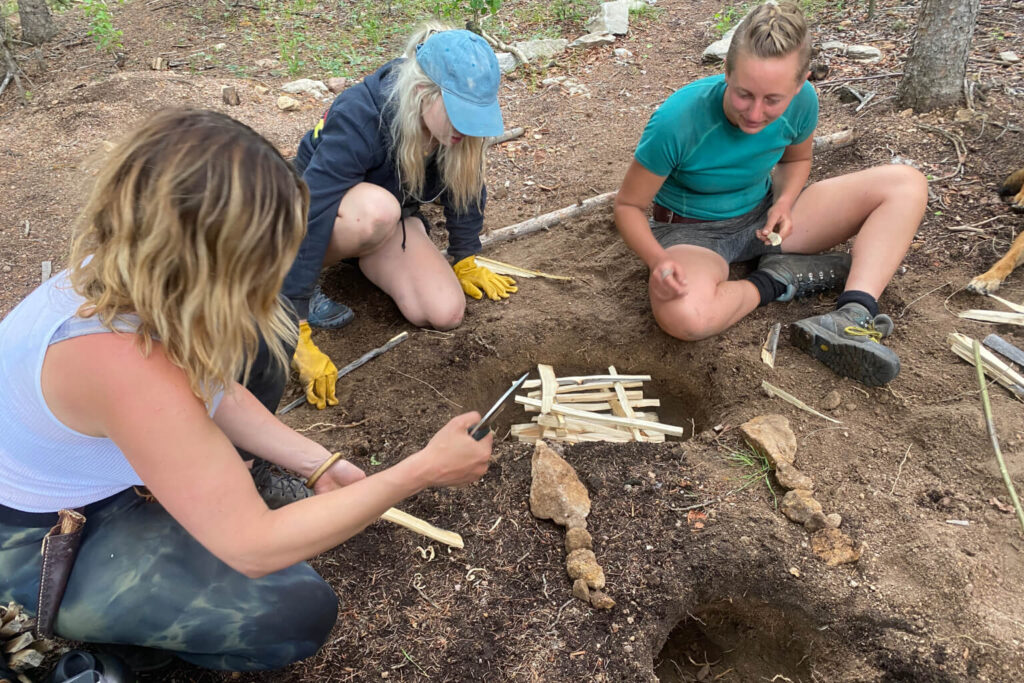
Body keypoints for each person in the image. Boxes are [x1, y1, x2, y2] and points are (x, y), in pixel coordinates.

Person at [0, 109, 493, 672]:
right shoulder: (123, 365)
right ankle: (97, 659)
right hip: (40, 533)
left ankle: (197, 499)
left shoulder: (130, 268)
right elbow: (253, 547)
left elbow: (214, 384)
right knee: (289, 615)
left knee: (257, 346)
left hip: (105, 457)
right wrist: (419, 471)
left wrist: (315, 461)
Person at [613, 1, 927, 386]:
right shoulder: (678, 119)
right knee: (685, 317)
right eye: (744, 94)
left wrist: (784, 202)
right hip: (693, 233)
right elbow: (629, 205)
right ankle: (775, 281)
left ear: (800, 83)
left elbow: (796, 162)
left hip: (765, 219)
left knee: (906, 184)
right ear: (726, 70)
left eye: (773, 99)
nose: (756, 113)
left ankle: (853, 314)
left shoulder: (803, 101)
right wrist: (658, 260)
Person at [275, 23, 516, 413]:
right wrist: (293, 323)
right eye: (460, 114)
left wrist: (466, 254)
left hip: (381, 222)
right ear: (423, 93)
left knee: (443, 311)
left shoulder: (452, 129)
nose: (468, 127)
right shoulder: (362, 114)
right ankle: (280, 288)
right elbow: (313, 208)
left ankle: (363, 254)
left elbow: (467, 185)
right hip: (311, 216)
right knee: (376, 211)